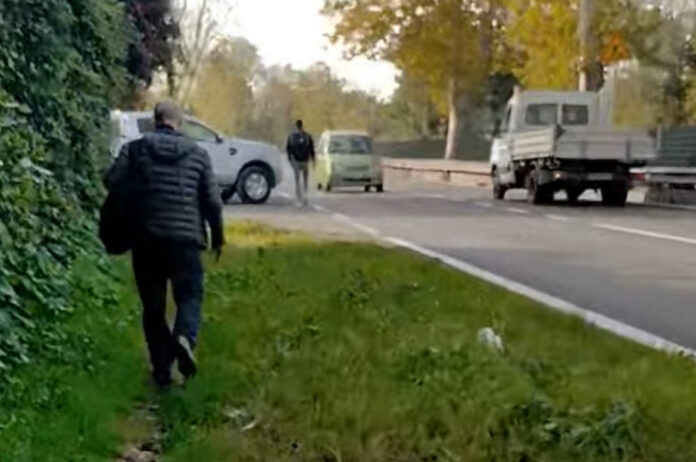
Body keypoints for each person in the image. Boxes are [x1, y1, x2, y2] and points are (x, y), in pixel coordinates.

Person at [105, 101, 224, 387]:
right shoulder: (198, 153)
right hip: (186, 240)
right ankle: (184, 336)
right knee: (190, 296)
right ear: (179, 122)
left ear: (154, 121)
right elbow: (212, 201)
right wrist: (217, 236)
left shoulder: (134, 150)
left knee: (154, 307)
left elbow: (111, 181)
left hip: (146, 238)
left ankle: (161, 370)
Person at [286, 119, 315, 206]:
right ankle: (306, 198)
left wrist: (290, 159)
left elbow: (288, 148)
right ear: (302, 125)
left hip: (296, 161)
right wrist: (313, 159)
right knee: (305, 180)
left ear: (295, 126)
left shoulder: (291, 136)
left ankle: (298, 199)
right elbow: (311, 148)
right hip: (305, 160)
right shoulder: (307, 136)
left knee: (297, 181)